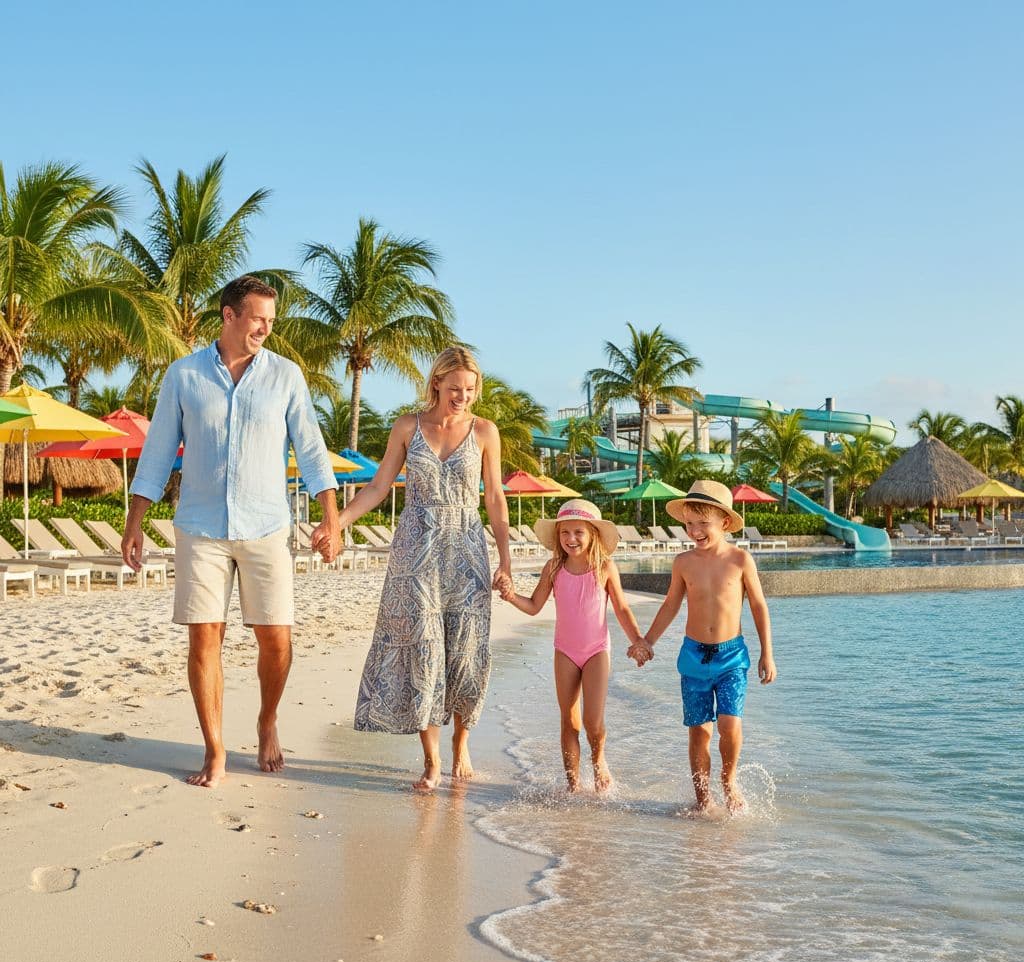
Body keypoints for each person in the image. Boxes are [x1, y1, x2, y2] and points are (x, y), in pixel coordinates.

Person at [122, 275, 340, 789]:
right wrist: (133, 523)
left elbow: (310, 448)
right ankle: (215, 749)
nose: (267, 327)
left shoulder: (286, 376)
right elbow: (156, 454)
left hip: (267, 526)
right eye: (259, 317)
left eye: (271, 319)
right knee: (205, 638)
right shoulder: (183, 375)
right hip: (200, 527)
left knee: (277, 639)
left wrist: (331, 516)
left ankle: (267, 720)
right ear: (229, 315)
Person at [337, 346, 512, 791]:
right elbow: (378, 486)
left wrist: (506, 558)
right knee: (424, 650)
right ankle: (432, 759)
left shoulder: (485, 432)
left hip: (467, 550)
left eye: (470, 390)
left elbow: (494, 497)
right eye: (455, 388)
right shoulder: (407, 426)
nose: (463, 397)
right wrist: (339, 522)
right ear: (436, 383)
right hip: (415, 552)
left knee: (467, 652)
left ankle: (462, 743)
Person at [628, 480, 776, 813]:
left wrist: (767, 652)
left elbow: (758, 606)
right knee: (698, 730)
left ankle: (729, 780)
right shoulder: (683, 562)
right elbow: (670, 605)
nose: (694, 530)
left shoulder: (740, 560)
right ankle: (702, 799)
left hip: (731, 656)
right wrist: (647, 641)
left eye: (702, 523)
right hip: (693, 656)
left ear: (724, 522)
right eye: (689, 523)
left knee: (729, 724)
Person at [498, 499, 646, 794]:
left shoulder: (604, 567)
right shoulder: (553, 567)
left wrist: (638, 641)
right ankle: (573, 785)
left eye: (578, 532)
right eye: (565, 533)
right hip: (565, 650)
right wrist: (511, 595)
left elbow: (622, 609)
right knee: (569, 720)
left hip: (596, 650)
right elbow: (534, 606)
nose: (571, 539)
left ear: (592, 534)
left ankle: (599, 759)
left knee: (593, 722)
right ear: (558, 537)